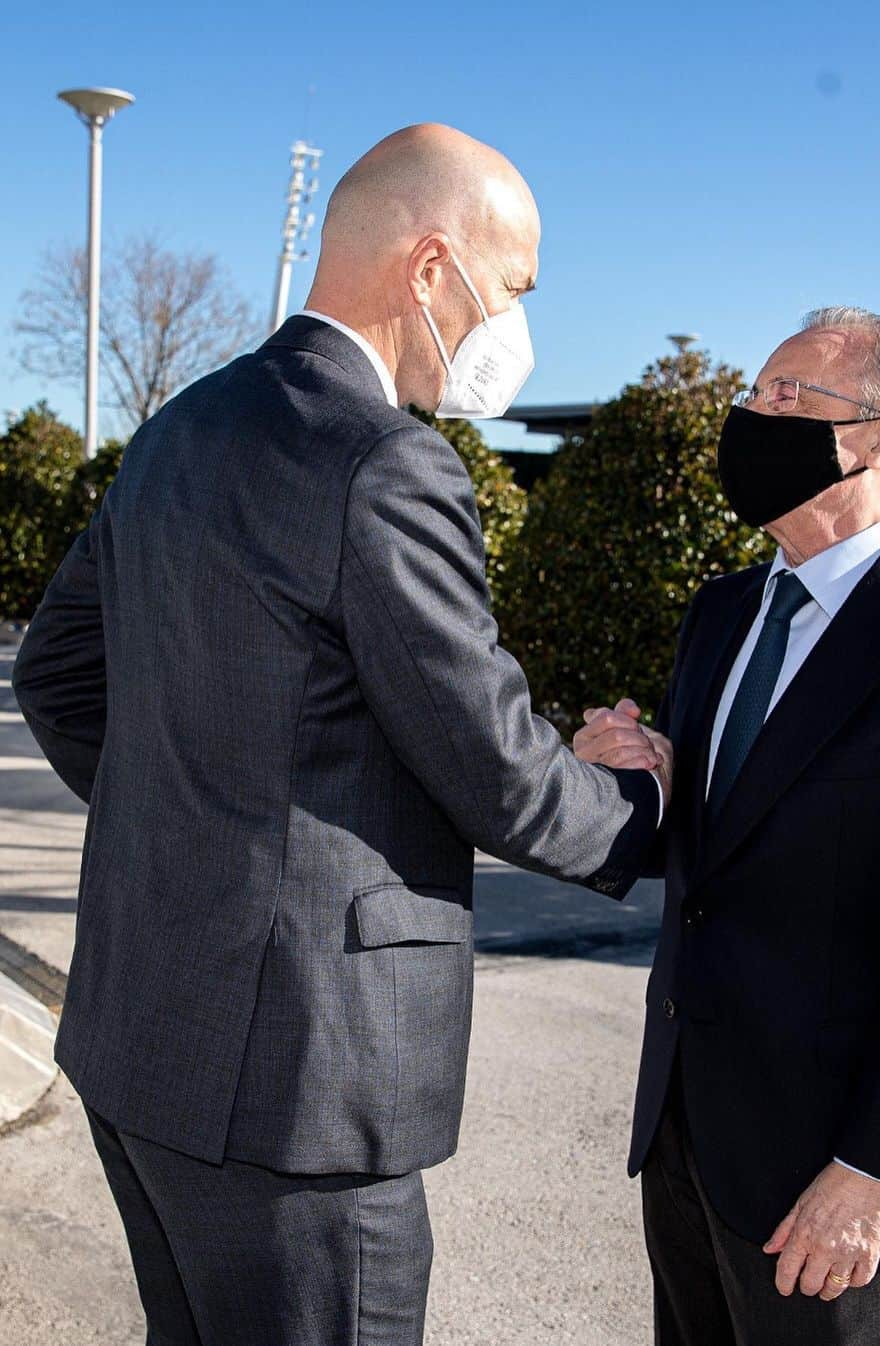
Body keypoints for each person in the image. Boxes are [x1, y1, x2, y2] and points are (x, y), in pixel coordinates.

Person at [12, 123, 669, 1346]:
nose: (515, 326)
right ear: (431, 271)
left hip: (141, 1044)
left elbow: (57, 674)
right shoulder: (383, 460)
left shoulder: (178, 429)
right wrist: (644, 799)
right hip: (292, 1097)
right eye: (512, 287)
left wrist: (202, 820)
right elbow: (501, 774)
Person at [574, 306, 880, 1346]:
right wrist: (650, 773)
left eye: (792, 397)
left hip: (833, 1167)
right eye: (754, 393)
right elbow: (721, 847)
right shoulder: (721, 611)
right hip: (686, 1135)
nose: (757, 415)